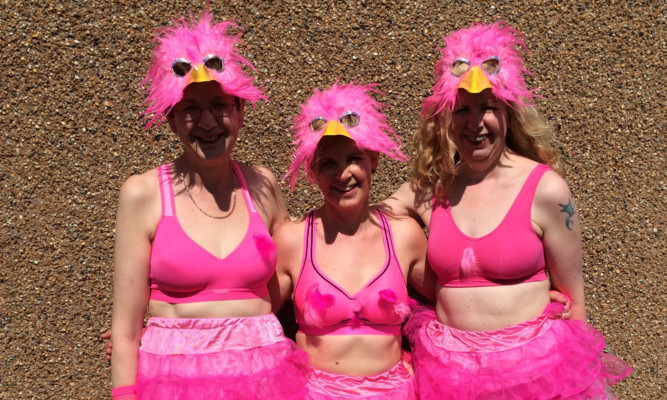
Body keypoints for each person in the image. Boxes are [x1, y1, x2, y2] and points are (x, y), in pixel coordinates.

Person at [384, 22, 632, 399]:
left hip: (535, 374)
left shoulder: (546, 190)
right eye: (462, 109)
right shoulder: (433, 191)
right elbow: (368, 218)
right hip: (450, 375)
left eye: (488, 107)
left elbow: (574, 300)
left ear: (508, 112)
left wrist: (581, 382)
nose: (475, 122)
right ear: (446, 119)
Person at [110, 11, 308, 400]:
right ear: (171, 120)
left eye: (219, 104)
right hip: (172, 383)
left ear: (239, 111)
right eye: (190, 109)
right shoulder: (142, 194)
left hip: (264, 378)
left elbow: (297, 267)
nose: (207, 121)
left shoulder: (264, 185)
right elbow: (126, 329)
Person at [271, 82, 434, 399]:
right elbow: (251, 312)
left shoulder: (404, 235)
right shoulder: (292, 240)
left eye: (353, 158)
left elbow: (454, 295)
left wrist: (532, 299)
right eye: (328, 163)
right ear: (313, 172)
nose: (342, 174)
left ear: (373, 159)